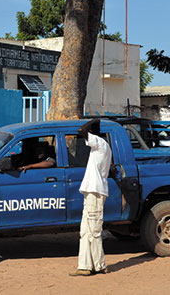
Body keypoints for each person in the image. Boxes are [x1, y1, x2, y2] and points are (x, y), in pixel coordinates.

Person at [70, 119, 113, 277]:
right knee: (86, 231)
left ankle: (99, 265)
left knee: (93, 231)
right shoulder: (101, 146)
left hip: (95, 192)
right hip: (92, 191)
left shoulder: (100, 143)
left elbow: (81, 131)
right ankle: (86, 265)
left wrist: (94, 121)